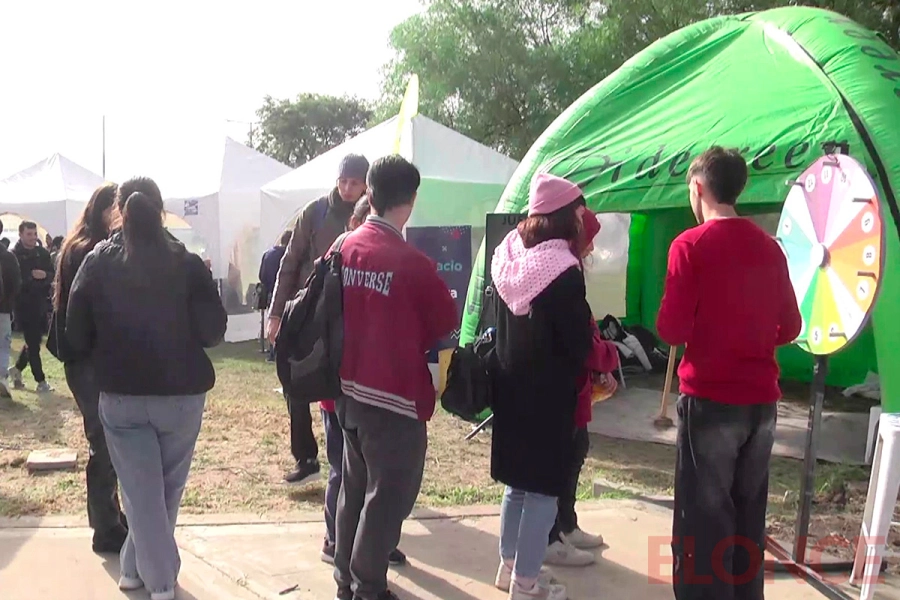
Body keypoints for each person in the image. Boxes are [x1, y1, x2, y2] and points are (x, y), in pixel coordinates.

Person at [66, 177, 228, 600]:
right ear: (161, 210)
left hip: (122, 398)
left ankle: (141, 571)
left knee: (145, 496)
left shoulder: (97, 262)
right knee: (160, 496)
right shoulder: (188, 262)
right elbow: (214, 331)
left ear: (118, 209)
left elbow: (74, 337)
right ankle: (157, 578)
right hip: (182, 396)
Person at [656, 147, 801, 600]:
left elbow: (671, 328)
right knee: (747, 514)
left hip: (711, 401)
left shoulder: (689, 246)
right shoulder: (769, 248)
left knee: (705, 517)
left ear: (698, 187)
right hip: (761, 403)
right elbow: (791, 326)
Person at [332, 156, 457, 600]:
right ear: (412, 200)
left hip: (345, 394)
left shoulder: (341, 248)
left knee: (354, 487)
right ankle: (368, 586)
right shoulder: (414, 264)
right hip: (395, 399)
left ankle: (345, 582)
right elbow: (445, 327)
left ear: (369, 192)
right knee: (387, 499)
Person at [489, 172, 594, 600]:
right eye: (579, 212)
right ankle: (527, 584)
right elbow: (578, 343)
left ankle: (509, 567)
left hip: (510, 389)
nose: (583, 219)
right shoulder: (563, 271)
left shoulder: (506, 256)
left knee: (518, 486)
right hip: (549, 397)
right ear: (565, 217)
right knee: (544, 493)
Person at [267, 153, 370, 485]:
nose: (347, 188)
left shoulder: (371, 213)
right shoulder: (314, 212)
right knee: (295, 382)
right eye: (343, 181)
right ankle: (306, 458)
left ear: (365, 184)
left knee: (342, 393)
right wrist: (276, 314)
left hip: (351, 318)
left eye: (355, 183)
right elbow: (289, 263)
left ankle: (352, 466)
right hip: (307, 312)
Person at [318, 197, 406, 569]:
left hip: (362, 387)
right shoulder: (337, 258)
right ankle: (336, 541)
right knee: (344, 470)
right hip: (339, 388)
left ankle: (370, 545)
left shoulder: (355, 259)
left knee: (368, 475)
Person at [52, 182, 127, 553]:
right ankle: (105, 526)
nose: (120, 215)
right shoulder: (88, 251)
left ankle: (110, 516)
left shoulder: (79, 245)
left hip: (85, 359)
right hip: (87, 361)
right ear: (101, 210)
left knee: (107, 441)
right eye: (115, 208)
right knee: (104, 443)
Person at [544, 209, 619, 568]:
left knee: (576, 451)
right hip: (559, 392)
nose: (592, 249)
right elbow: (579, 340)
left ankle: (566, 525)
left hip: (575, 390)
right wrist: (606, 356)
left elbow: (586, 331)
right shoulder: (560, 275)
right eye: (588, 240)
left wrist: (602, 366)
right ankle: (551, 535)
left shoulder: (571, 274)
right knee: (558, 462)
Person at [9, 220, 54, 392]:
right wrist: (30, 276)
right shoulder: (14, 255)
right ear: (20, 234)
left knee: (33, 341)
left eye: (35, 234)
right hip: (23, 305)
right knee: (33, 343)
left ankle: (17, 369)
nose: (33, 238)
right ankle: (41, 381)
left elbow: (52, 274)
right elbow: (14, 280)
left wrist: (45, 275)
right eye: (29, 234)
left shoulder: (42, 253)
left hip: (41, 303)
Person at [258, 230, 292, 361]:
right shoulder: (290, 255)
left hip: (271, 292)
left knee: (273, 321)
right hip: (288, 293)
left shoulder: (268, 254)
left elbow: (261, 276)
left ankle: (273, 352)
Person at [0, 219, 21, 398]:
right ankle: (1, 377)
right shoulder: (8, 256)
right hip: (3, 308)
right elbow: (16, 284)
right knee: (3, 344)